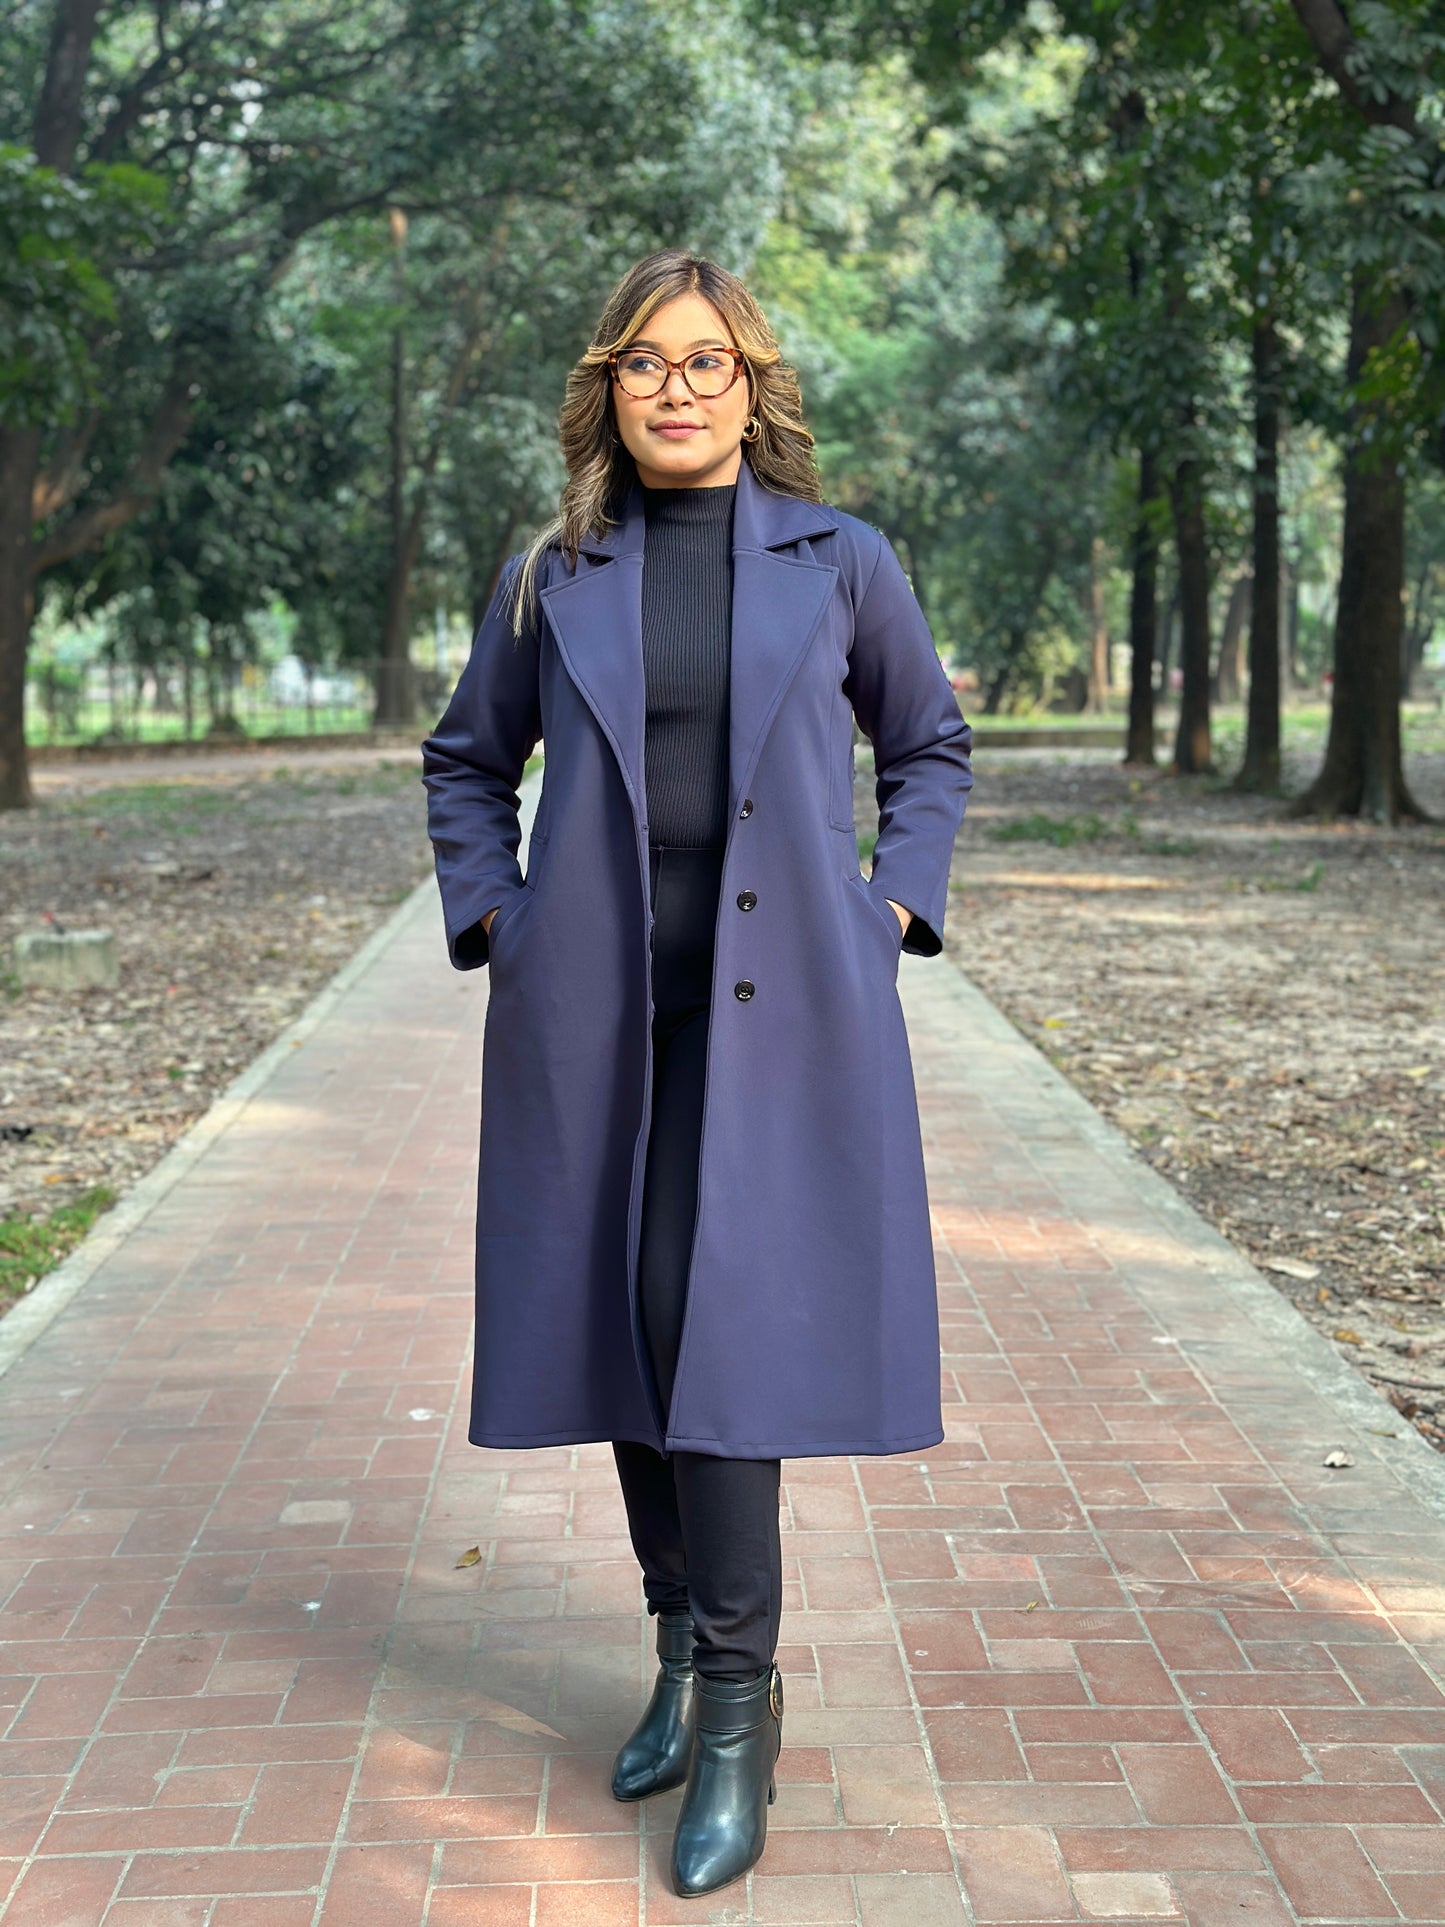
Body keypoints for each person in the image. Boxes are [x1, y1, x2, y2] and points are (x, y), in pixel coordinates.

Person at [422, 248, 973, 1898]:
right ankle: (677, 1645)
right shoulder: (551, 576)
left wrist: (889, 905)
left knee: (711, 1328)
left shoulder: (843, 561)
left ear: (752, 391)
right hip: (594, 1012)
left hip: (783, 1009)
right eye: (649, 362)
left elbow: (930, 746)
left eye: (709, 362)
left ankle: (737, 1702)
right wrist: (499, 922)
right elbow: (467, 760)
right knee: (630, 1318)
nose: (678, 386)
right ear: (609, 387)